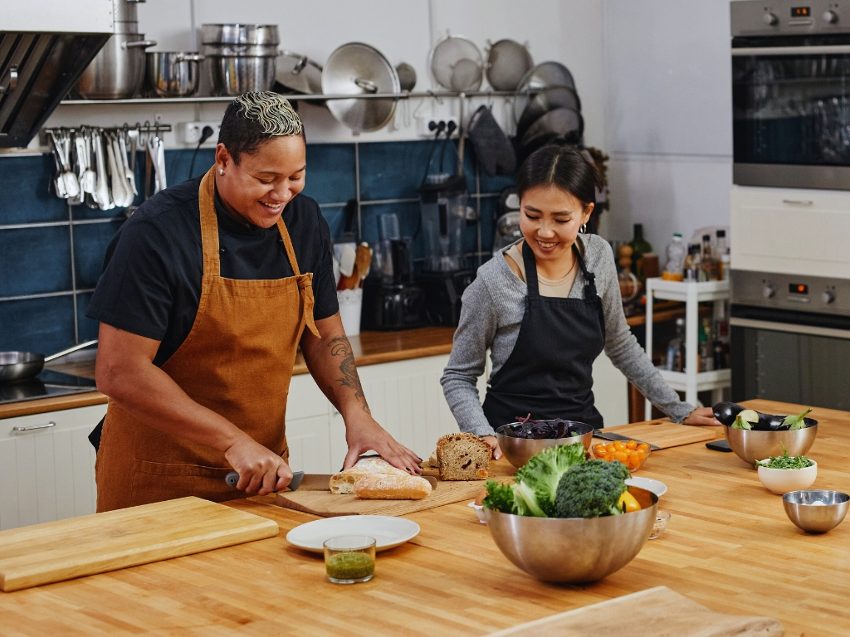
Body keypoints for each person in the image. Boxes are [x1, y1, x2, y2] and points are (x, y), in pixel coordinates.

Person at [87, 91, 421, 511]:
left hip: (260, 477)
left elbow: (323, 332)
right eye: (266, 179)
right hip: (159, 481)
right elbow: (120, 372)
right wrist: (232, 441)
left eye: (296, 176)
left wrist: (358, 414)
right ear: (223, 159)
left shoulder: (303, 221)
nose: (282, 194)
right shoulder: (157, 233)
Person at [440, 145, 719, 459]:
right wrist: (483, 436)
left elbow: (620, 343)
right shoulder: (493, 281)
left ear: (586, 212)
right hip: (512, 451)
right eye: (532, 215)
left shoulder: (598, 256)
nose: (544, 231)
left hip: (584, 440)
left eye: (561, 219)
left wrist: (678, 409)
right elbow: (458, 376)